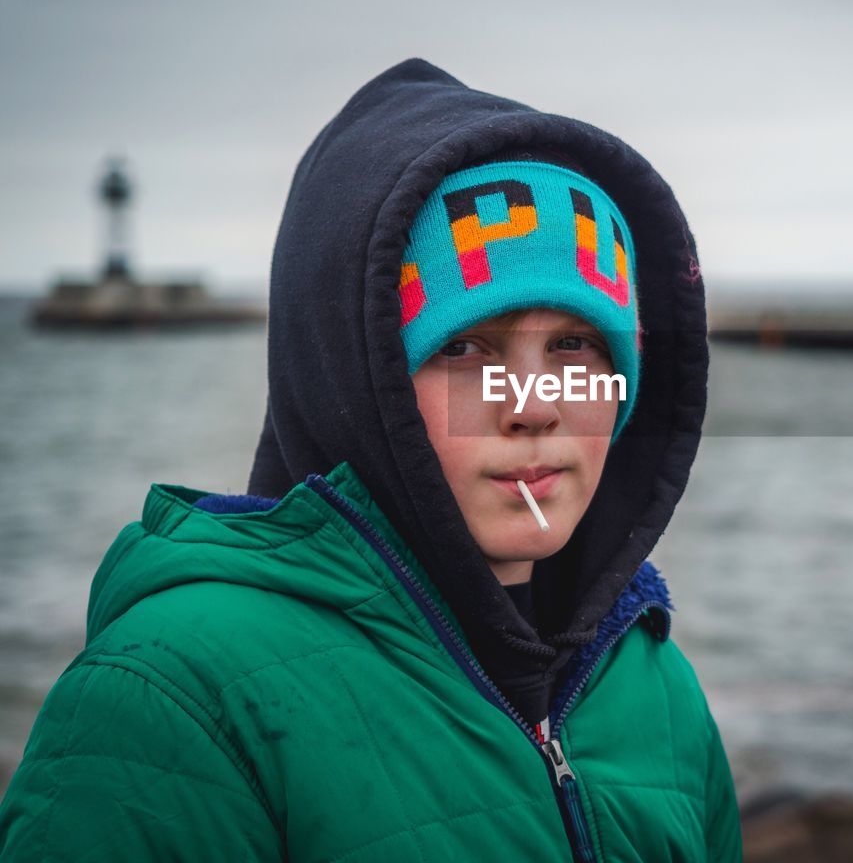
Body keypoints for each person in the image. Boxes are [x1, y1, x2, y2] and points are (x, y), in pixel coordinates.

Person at [0, 58, 743, 861]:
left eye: (575, 343)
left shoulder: (654, 685)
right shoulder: (170, 700)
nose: (533, 404)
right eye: (463, 347)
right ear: (349, 376)